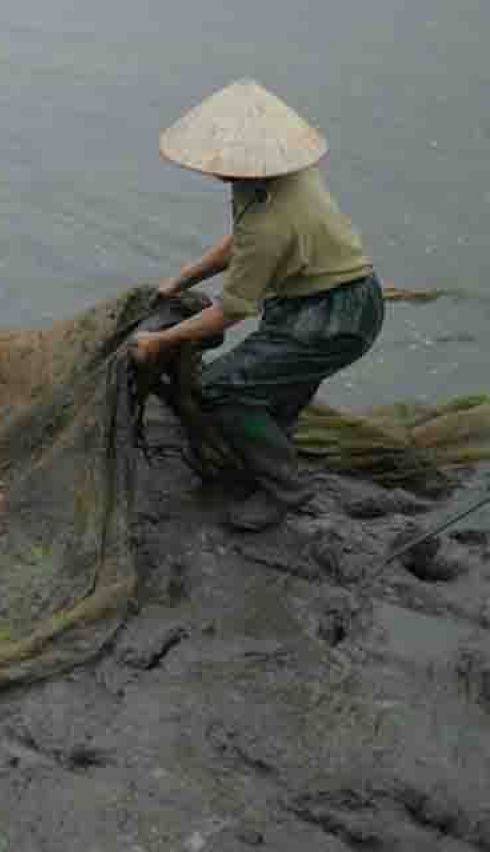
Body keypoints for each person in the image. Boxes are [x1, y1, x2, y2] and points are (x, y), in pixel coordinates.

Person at [133, 80, 385, 532]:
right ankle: (262, 462)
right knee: (275, 391)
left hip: (334, 318)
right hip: (326, 298)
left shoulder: (272, 220)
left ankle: (286, 488)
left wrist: (160, 340)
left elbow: (232, 309)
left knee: (223, 388)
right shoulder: (276, 178)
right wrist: (182, 279)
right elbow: (239, 241)